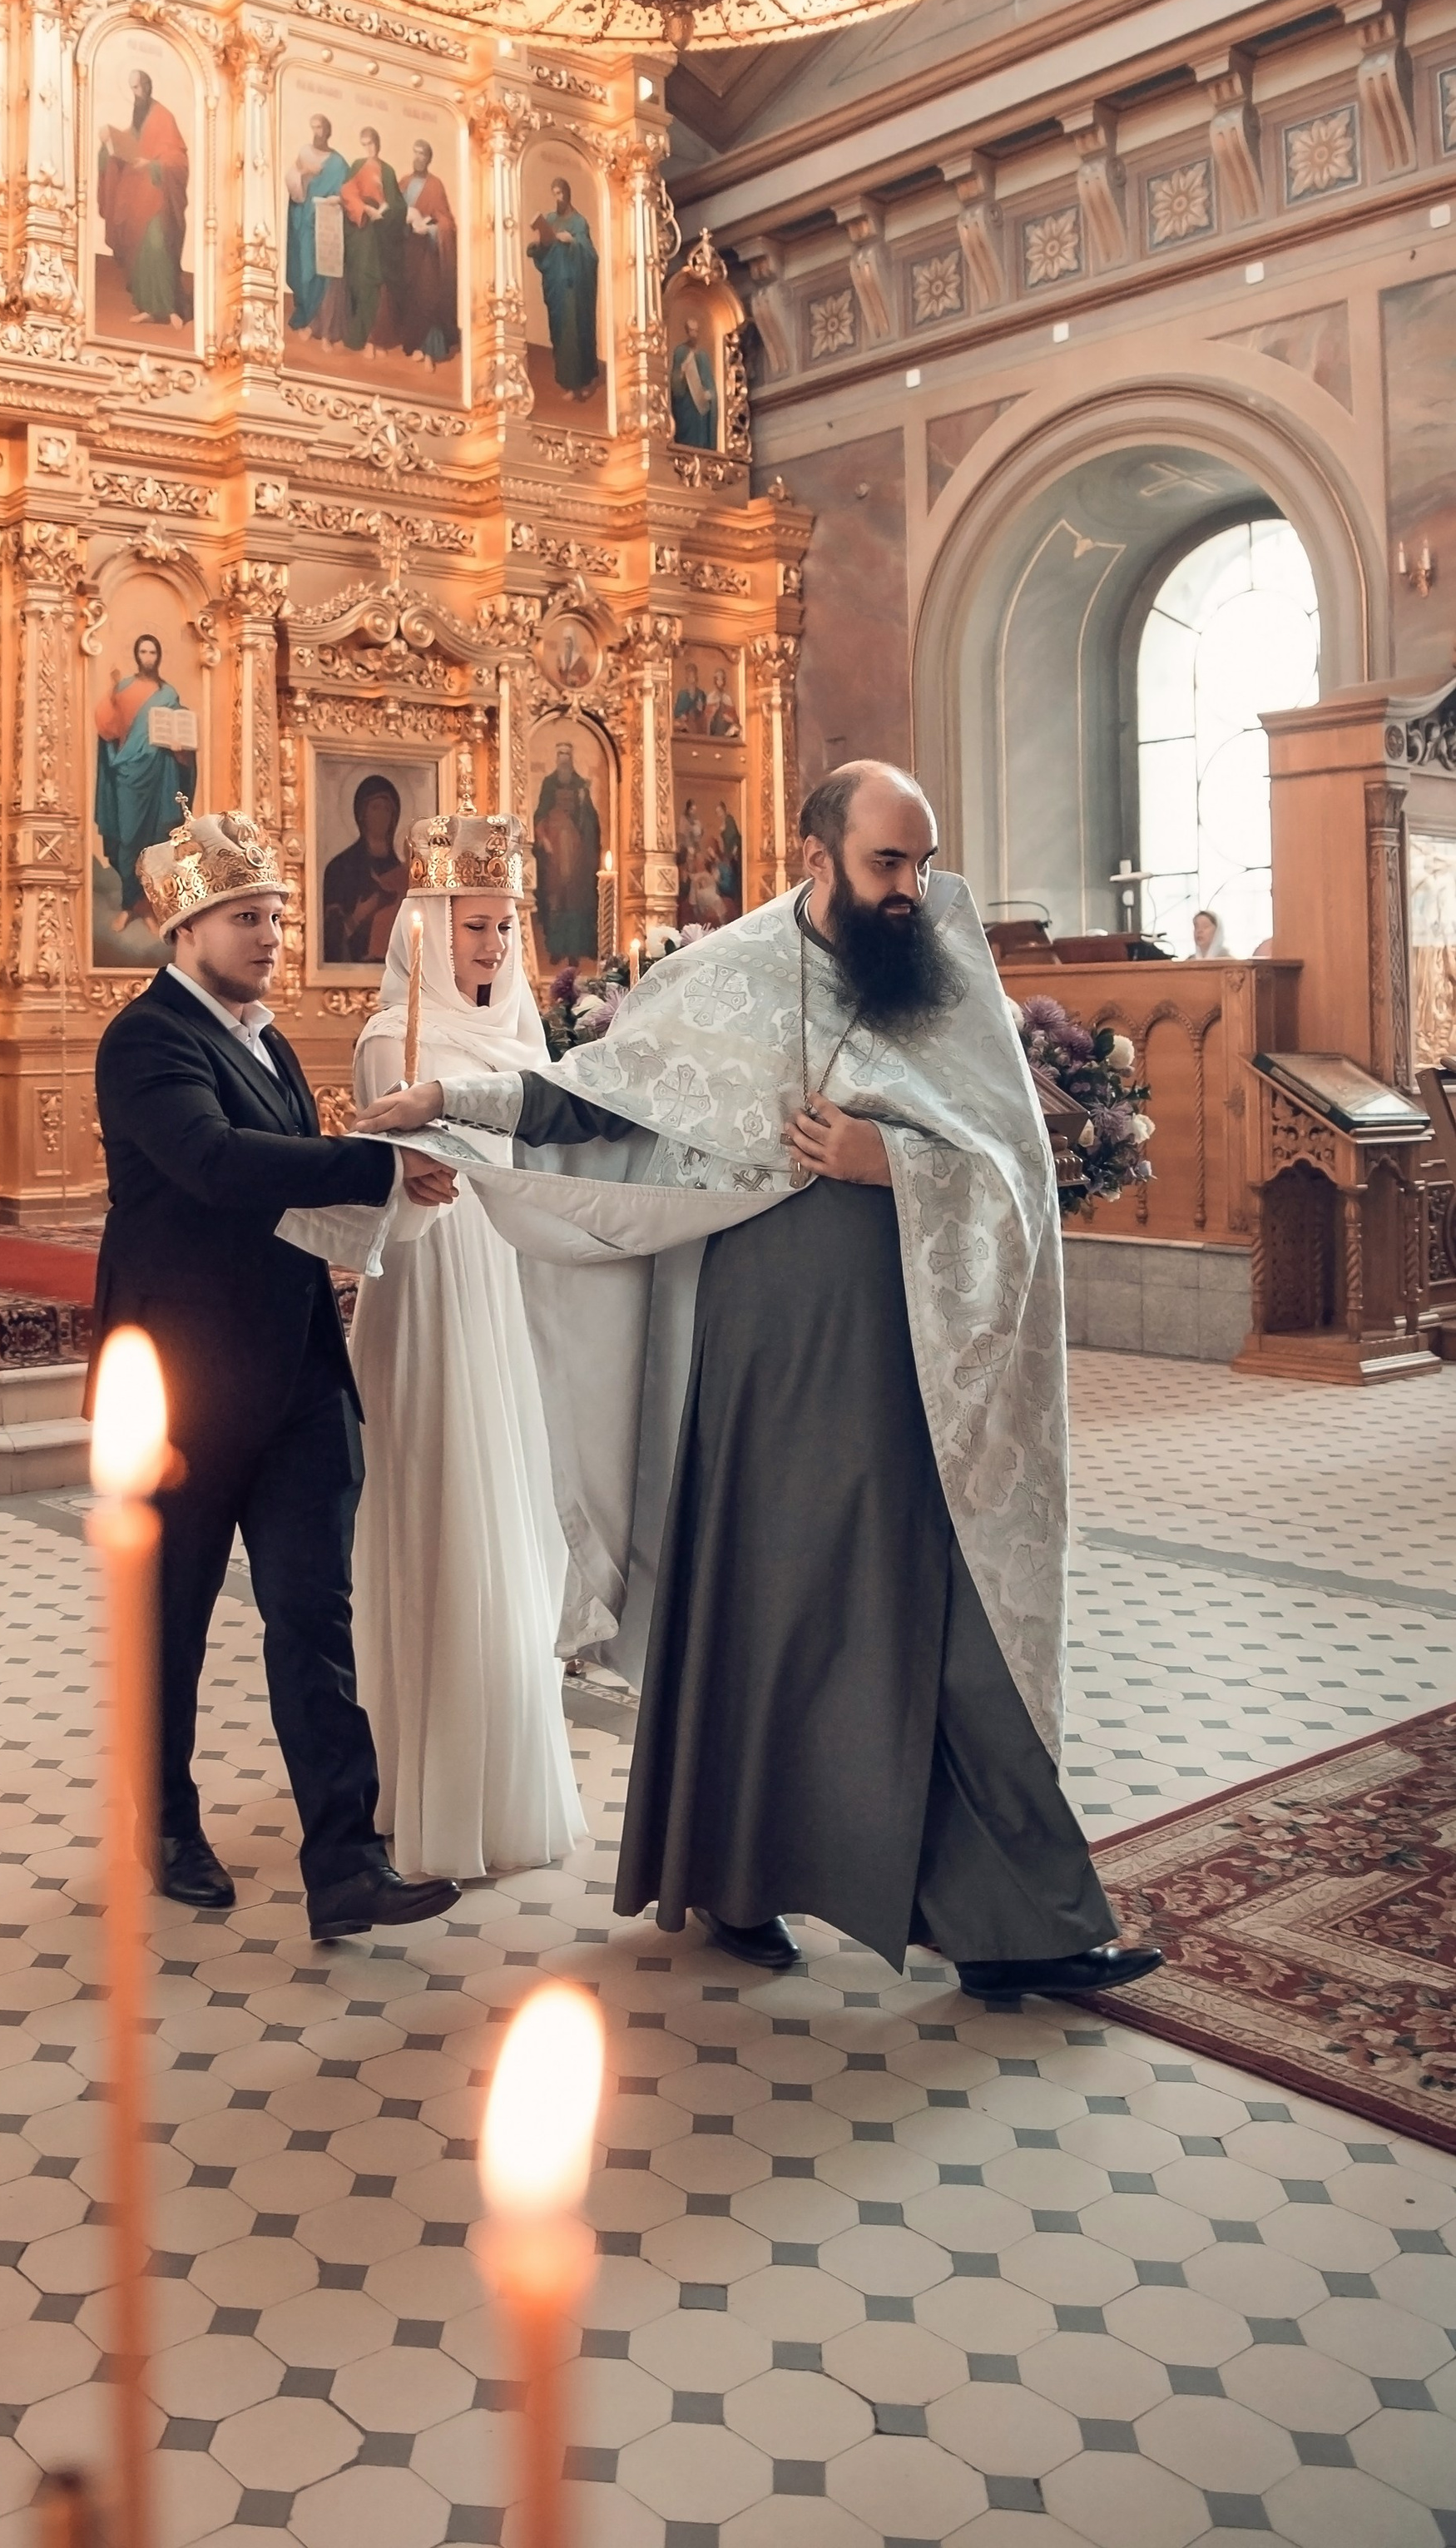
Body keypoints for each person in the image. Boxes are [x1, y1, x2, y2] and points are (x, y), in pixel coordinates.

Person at [356, 761, 1166, 2007]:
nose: (916, 891)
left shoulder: (949, 982)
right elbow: (592, 1098)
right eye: (889, 864)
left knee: (946, 1623)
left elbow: (1016, 1172)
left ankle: (1023, 1922)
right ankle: (737, 1881)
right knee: (761, 1609)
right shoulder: (720, 979)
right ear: (814, 855)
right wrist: (448, 1096)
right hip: (759, 1361)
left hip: (916, 1371)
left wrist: (884, 1158)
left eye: (926, 862)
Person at [91, 811, 463, 1941]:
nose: (271, 938)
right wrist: (375, 1162)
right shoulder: (146, 1040)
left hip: (297, 1371)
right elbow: (213, 1164)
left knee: (315, 1615)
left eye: (279, 918)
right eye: (248, 919)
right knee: (175, 1617)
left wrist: (363, 1235)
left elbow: (286, 1196)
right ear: (187, 926)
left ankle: (344, 1862)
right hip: (182, 1381)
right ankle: (162, 1822)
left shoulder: (265, 1036)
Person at [347, 819, 586, 1879]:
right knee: (443, 1510)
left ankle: (500, 1760)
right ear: (428, 929)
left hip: (511, 1284)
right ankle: (421, 1771)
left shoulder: (526, 1036)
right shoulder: (388, 1039)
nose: (491, 945)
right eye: (474, 924)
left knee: (517, 1517)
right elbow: (380, 1187)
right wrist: (407, 1179)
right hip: (433, 1290)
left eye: (504, 925)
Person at [93, 632, 194, 934]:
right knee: (128, 840)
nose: (148, 657)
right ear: (137, 655)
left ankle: (148, 907)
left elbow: (184, 735)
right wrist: (111, 695)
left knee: (155, 842)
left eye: (153, 652)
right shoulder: (123, 689)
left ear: (158, 656)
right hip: (128, 773)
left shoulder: (169, 694)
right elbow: (108, 728)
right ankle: (129, 906)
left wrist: (180, 746)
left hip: (160, 775)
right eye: (144, 652)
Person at [97, 67, 191, 326]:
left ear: (147, 87)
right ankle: (149, 306)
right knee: (139, 250)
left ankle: (169, 308)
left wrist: (152, 165)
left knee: (157, 245)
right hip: (138, 197)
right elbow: (130, 142)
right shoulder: (140, 116)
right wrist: (108, 146)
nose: (135, 93)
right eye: (131, 89)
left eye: (137, 88)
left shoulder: (163, 117)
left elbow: (178, 161)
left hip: (158, 200)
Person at [319, 772, 407, 965]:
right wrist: (358, 917)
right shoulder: (340, 868)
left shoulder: (406, 874)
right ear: (361, 813)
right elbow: (330, 938)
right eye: (375, 808)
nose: (382, 815)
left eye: (387, 809)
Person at [334, 126, 405, 354]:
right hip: (360, 229)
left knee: (373, 282)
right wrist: (363, 207)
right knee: (358, 280)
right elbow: (347, 191)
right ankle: (357, 336)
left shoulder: (388, 170)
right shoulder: (357, 165)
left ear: (378, 143)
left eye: (372, 143)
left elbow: (398, 203)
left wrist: (385, 211)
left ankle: (370, 338)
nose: (369, 148)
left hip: (379, 232)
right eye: (365, 144)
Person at [529, 177, 601, 399]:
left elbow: (591, 256)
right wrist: (538, 247)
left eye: (561, 193)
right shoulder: (550, 219)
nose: (558, 198)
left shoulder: (579, 223)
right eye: (555, 194)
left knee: (574, 331)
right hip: (556, 286)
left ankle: (577, 384)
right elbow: (546, 251)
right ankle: (565, 378)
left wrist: (574, 242)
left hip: (574, 287)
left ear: (568, 194)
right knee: (560, 332)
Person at [532, 739, 600, 962]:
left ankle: (576, 949)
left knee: (576, 898)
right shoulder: (549, 784)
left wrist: (583, 802)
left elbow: (590, 820)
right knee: (556, 897)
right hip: (554, 854)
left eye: (566, 754)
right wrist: (543, 839)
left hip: (577, 852)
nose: (563, 758)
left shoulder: (580, 784)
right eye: (560, 754)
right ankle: (556, 948)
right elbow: (540, 814)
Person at [396, 139, 459, 364]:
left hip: (427, 254)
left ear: (428, 158)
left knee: (428, 298)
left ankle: (431, 351)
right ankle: (416, 346)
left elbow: (447, 223)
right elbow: (394, 211)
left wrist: (429, 229)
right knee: (412, 300)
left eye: (422, 154)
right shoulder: (404, 182)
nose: (418, 158)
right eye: (415, 153)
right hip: (407, 250)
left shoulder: (435, 186)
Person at [285, 113, 347, 334]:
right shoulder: (305, 152)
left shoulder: (338, 162)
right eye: (313, 128)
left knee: (317, 270)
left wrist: (336, 200)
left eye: (320, 128)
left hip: (324, 225)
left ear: (327, 131)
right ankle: (303, 312)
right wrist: (303, 173)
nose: (316, 133)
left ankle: (315, 319)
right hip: (302, 220)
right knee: (302, 269)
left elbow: (345, 193)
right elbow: (292, 183)